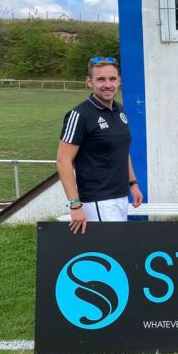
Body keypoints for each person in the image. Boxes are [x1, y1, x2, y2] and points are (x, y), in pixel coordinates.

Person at [57, 57, 143, 234]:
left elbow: (121, 150)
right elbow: (63, 160)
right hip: (98, 201)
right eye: (101, 79)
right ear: (90, 82)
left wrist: (133, 184)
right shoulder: (80, 115)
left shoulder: (119, 110)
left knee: (117, 248)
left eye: (112, 79)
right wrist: (75, 205)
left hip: (120, 197)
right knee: (112, 248)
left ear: (119, 81)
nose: (107, 85)